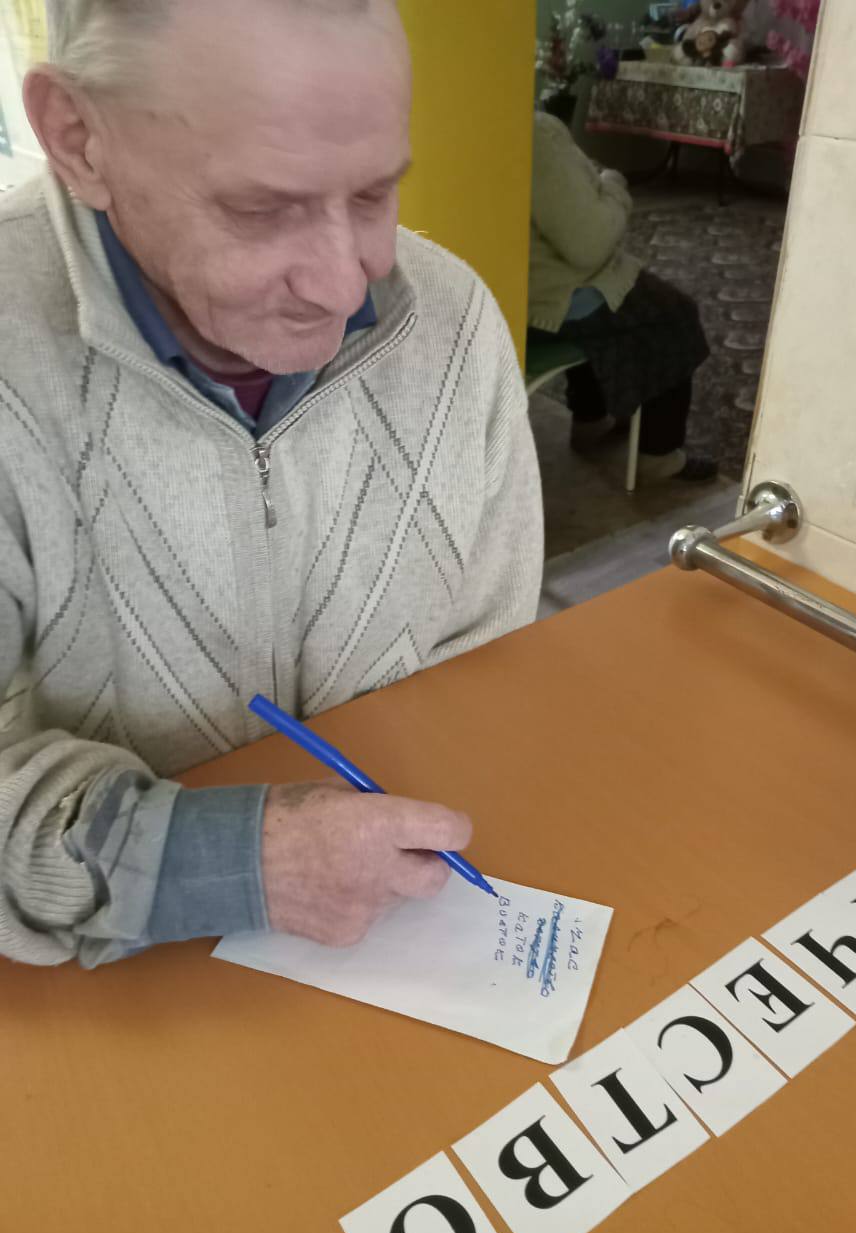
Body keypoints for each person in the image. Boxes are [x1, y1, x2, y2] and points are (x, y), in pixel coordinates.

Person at [0, 0, 543, 968]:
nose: (346, 286)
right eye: (260, 210)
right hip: (96, 1003)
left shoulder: (451, 322)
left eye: (375, 194)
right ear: (78, 137)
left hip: (404, 937)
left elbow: (491, 672)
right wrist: (230, 862)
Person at [528, 109, 716, 481]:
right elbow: (589, 244)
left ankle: (590, 418)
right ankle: (659, 454)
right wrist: (613, 185)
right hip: (549, 296)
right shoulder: (535, 133)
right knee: (674, 314)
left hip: (509, 293)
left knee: (608, 308)